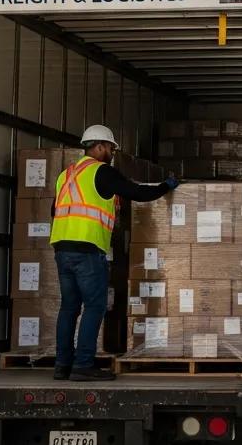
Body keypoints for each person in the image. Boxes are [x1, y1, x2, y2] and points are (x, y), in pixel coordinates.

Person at [51, 125, 178, 382]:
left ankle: (62, 365)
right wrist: (166, 186)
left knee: (69, 308)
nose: (111, 153)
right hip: (87, 249)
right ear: (99, 146)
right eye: (110, 148)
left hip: (62, 249)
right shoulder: (102, 171)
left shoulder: (66, 175)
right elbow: (137, 192)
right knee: (94, 306)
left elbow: (54, 210)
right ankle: (83, 365)